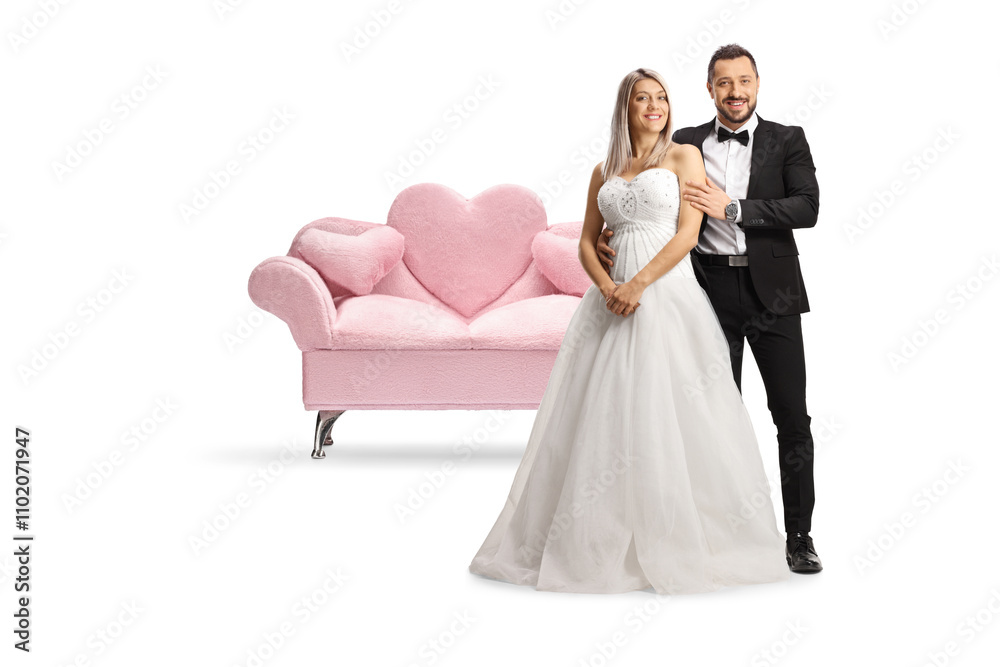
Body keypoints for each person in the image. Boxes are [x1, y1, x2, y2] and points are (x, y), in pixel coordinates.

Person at [468, 67, 790, 594]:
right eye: (643, 98)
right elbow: (586, 242)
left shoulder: (684, 155)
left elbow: (689, 232)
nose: (654, 106)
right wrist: (606, 287)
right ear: (626, 107)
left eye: (661, 97)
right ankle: (592, 536)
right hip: (610, 299)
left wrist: (638, 283)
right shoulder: (603, 170)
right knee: (602, 408)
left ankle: (686, 535)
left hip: (665, 291)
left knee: (677, 405)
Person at [596, 45, 822, 574]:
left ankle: (798, 535)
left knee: (790, 415)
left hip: (776, 296)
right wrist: (613, 228)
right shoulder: (686, 141)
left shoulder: (788, 139)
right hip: (704, 292)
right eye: (724, 83)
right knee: (710, 416)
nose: (735, 91)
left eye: (744, 81)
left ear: (758, 84)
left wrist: (736, 209)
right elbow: (645, 192)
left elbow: (807, 207)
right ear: (709, 89)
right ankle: (718, 534)